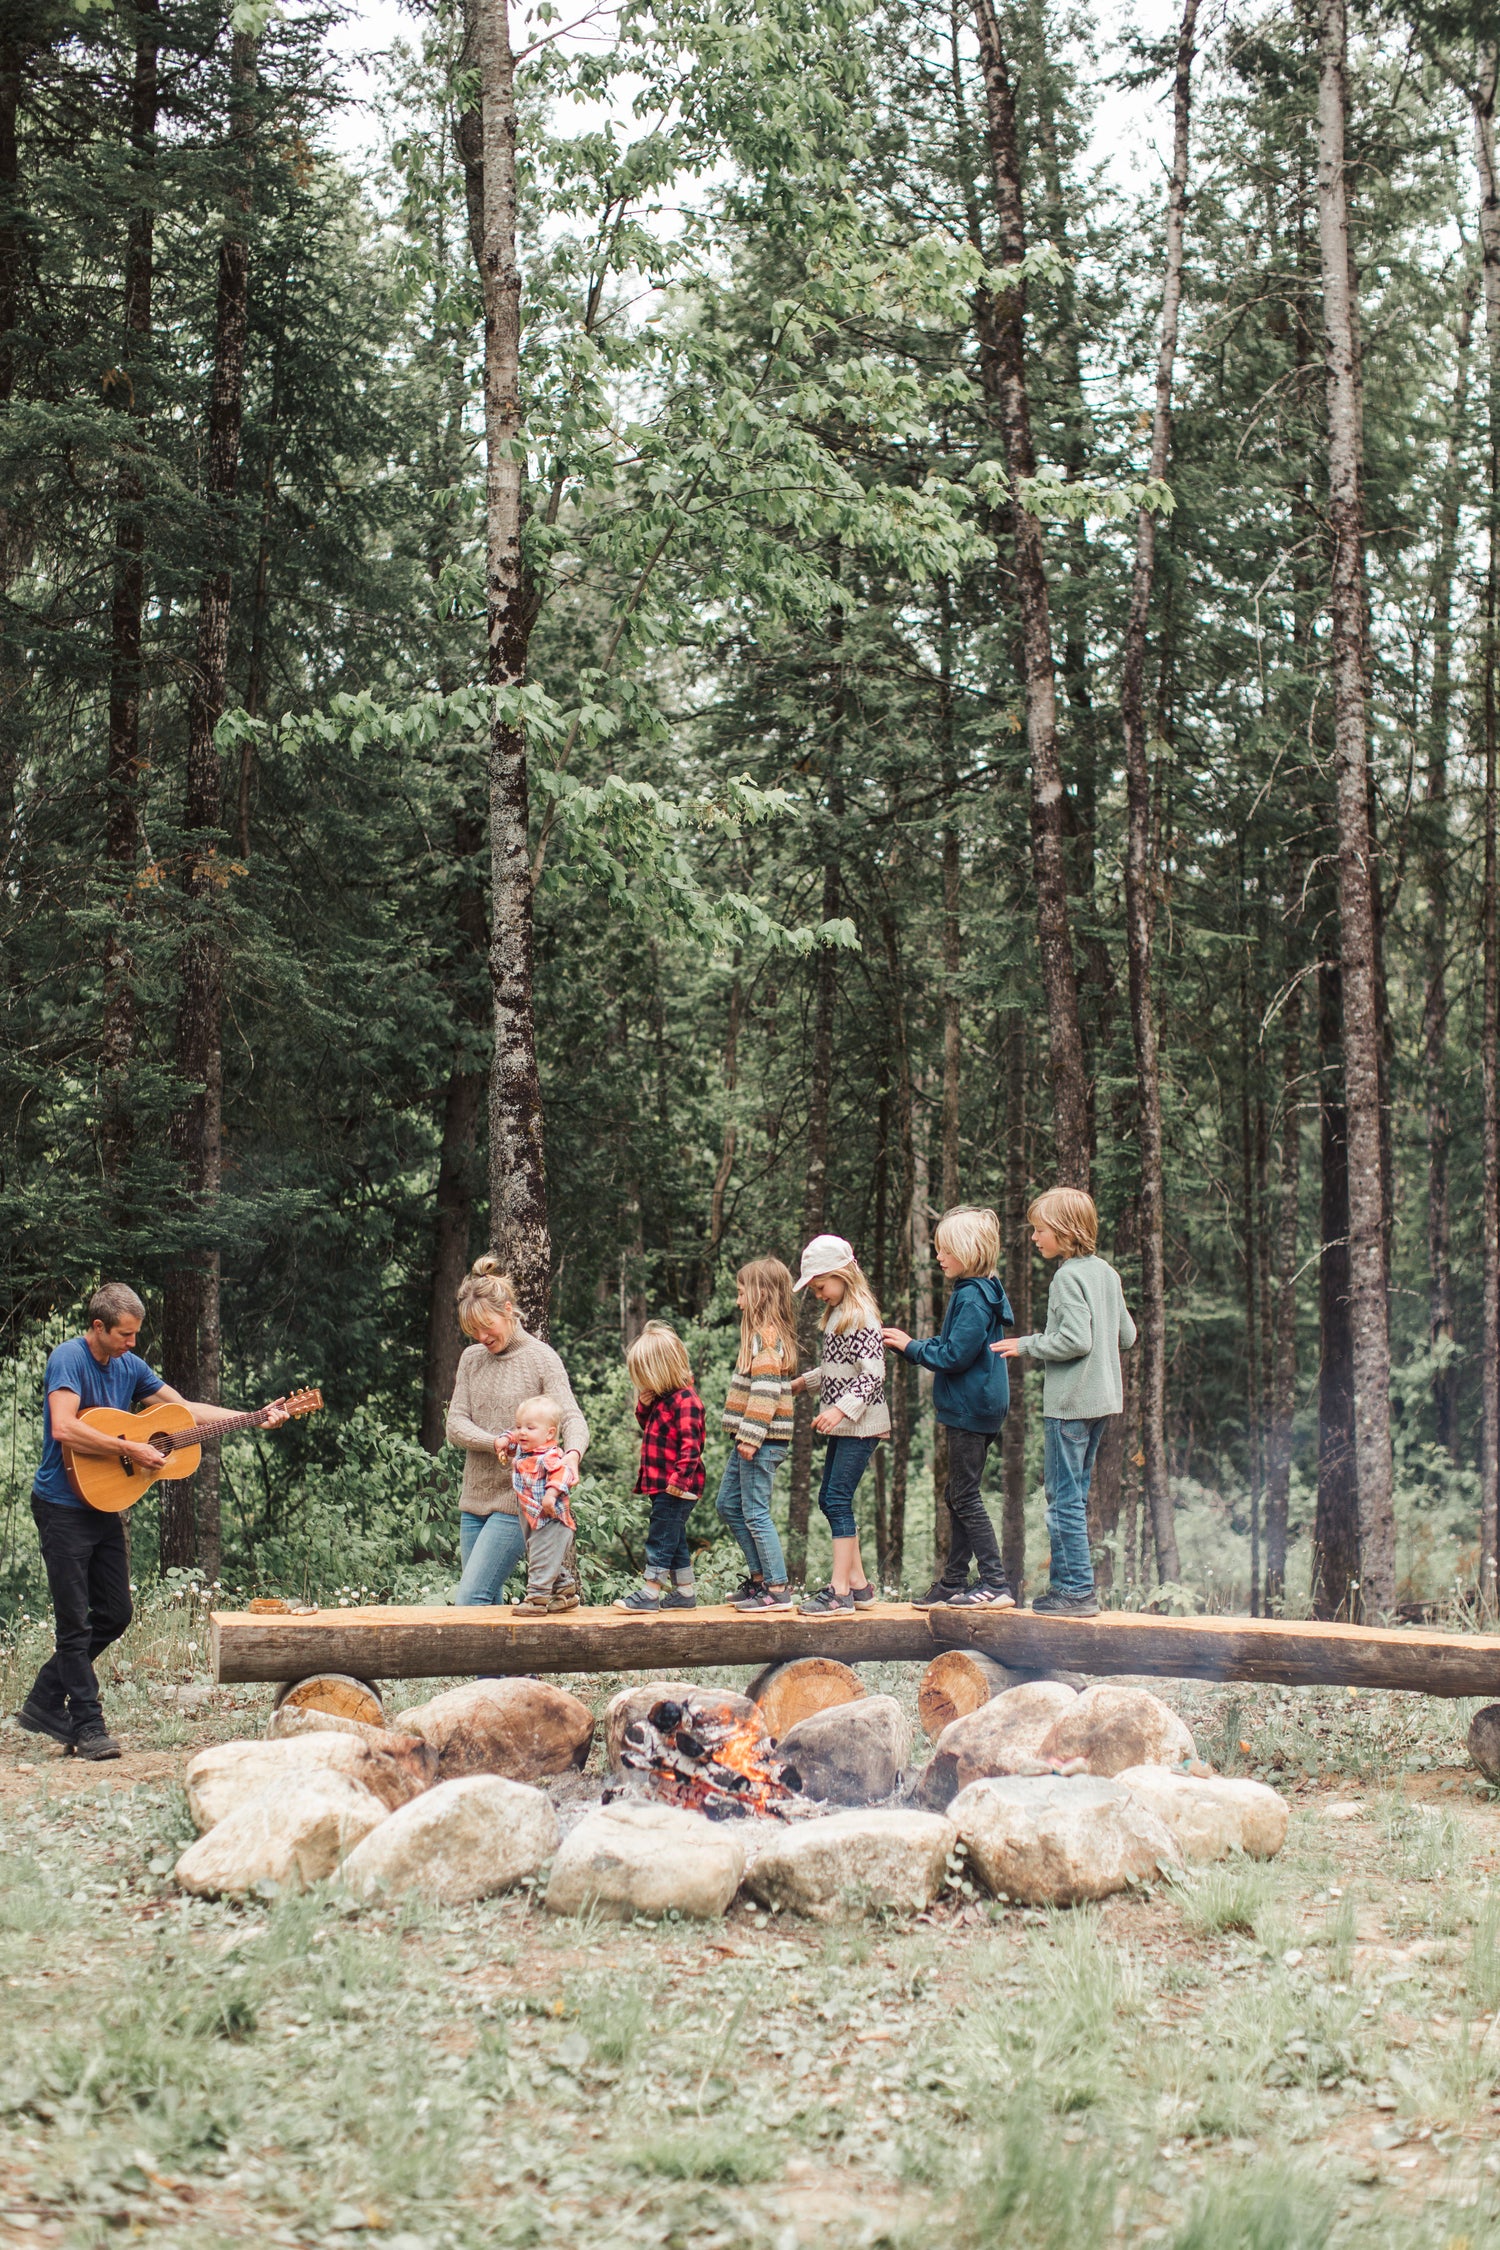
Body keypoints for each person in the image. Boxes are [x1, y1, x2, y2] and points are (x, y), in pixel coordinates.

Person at [19, 1281, 285, 1760]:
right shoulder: (69, 1359)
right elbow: (64, 1427)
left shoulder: (130, 1365)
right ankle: (87, 1723)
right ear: (97, 1326)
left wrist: (253, 1414)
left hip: (103, 1505)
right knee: (74, 1624)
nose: (132, 1344)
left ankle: (42, 1699)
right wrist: (129, 1447)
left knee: (116, 1613)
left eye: (136, 1334)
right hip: (61, 1506)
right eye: (124, 1334)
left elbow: (182, 1413)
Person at [993, 1186, 1137, 1618]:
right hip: (1103, 1402)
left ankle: (1075, 1592)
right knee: (1075, 1496)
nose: (1035, 1238)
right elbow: (1127, 1336)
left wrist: (1029, 1344)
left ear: (1064, 1231)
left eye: (1040, 1230)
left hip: (1071, 1404)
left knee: (1063, 1501)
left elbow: (1076, 1340)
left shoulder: (1067, 1277)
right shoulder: (1106, 1273)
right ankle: (1071, 1589)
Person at [882, 1205, 1015, 1609]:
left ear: (968, 1251)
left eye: (945, 1250)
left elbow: (956, 1354)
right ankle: (954, 1581)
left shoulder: (973, 1298)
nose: (938, 1256)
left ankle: (996, 1582)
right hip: (976, 1405)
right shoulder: (977, 1291)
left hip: (971, 1408)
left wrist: (911, 1347)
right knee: (958, 1493)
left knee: (965, 1496)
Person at [446, 1256, 589, 1608]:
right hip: (474, 1500)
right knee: (487, 1606)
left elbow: (572, 1418)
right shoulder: (471, 1359)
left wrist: (572, 1456)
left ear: (508, 1310)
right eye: (472, 1330)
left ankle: (510, 1667)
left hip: (519, 1500)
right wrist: (494, 1440)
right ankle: (514, 1668)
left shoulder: (541, 1358)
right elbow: (455, 1423)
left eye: (487, 1325)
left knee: (470, 1600)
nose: (481, 1337)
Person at [788, 1234, 887, 1618]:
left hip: (861, 1426)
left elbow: (872, 1375)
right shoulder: (838, 1316)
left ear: (842, 1275)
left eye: (820, 1285)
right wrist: (804, 1383)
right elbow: (836, 1372)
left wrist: (842, 1411)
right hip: (848, 1426)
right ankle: (860, 1587)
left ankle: (840, 1592)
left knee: (836, 1500)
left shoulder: (861, 1318)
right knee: (829, 1499)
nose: (817, 1294)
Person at [715, 1257, 799, 1612]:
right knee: (728, 1505)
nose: (738, 1302)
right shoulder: (759, 1334)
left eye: (741, 1293)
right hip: (751, 1437)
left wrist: (750, 1436)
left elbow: (765, 1392)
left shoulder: (765, 1337)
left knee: (755, 1512)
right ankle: (760, 1579)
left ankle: (777, 1588)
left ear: (761, 1293)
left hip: (760, 1440)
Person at [615, 1321, 706, 1613]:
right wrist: (643, 1405)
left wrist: (679, 1480)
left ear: (660, 1370)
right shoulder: (663, 1399)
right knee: (675, 1537)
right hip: (661, 1483)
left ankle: (650, 1592)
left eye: (644, 1377)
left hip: (677, 1485)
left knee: (661, 1536)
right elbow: (651, 1429)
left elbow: (692, 1447)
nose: (642, 1383)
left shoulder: (686, 1401)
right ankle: (685, 1592)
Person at [502, 1395, 581, 1613]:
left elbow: (564, 1473)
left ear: (549, 1433)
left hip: (551, 1519)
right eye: (520, 1426)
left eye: (530, 1427)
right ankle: (564, 1590)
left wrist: (551, 1494)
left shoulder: (549, 1455)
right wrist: (504, 1440)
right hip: (532, 1516)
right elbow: (511, 1437)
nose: (522, 1432)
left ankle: (536, 1599)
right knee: (538, 1551)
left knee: (540, 1555)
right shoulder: (524, 1448)